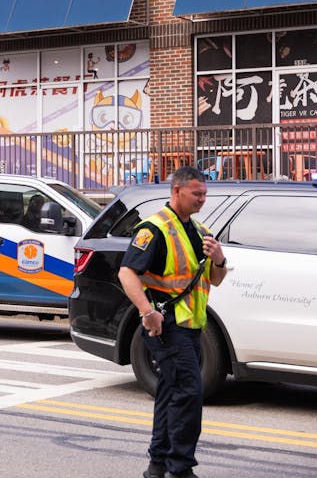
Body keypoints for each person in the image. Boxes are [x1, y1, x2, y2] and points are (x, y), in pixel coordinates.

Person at [117, 166, 229, 478]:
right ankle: (179, 468)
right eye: (196, 193)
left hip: (192, 328)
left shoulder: (198, 230)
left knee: (171, 393)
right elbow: (127, 273)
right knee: (189, 395)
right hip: (167, 327)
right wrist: (146, 312)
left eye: (204, 194)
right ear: (177, 191)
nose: (202, 199)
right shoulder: (153, 229)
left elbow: (216, 280)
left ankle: (158, 465)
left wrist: (219, 258)